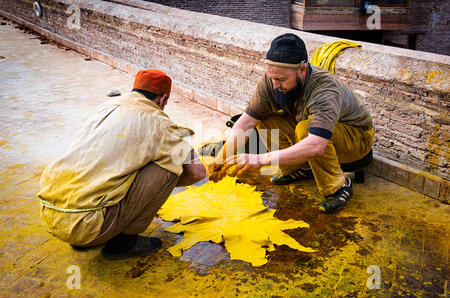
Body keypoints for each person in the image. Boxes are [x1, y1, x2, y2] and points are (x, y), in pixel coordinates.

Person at [38, 69, 205, 259]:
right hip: (87, 226)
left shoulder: (105, 107)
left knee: (118, 165)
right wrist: (157, 188)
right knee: (170, 167)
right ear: (163, 99)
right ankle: (122, 243)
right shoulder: (160, 124)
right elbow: (197, 173)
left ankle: (85, 234)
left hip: (51, 214)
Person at [208, 33, 374, 213]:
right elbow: (246, 123)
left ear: (302, 70)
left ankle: (339, 185)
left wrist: (260, 159)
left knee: (306, 129)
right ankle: (297, 168)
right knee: (266, 120)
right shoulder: (273, 78)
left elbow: (316, 145)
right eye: (271, 77)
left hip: (357, 139)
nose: (274, 85)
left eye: (280, 80)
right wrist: (222, 157)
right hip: (316, 131)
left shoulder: (324, 89)